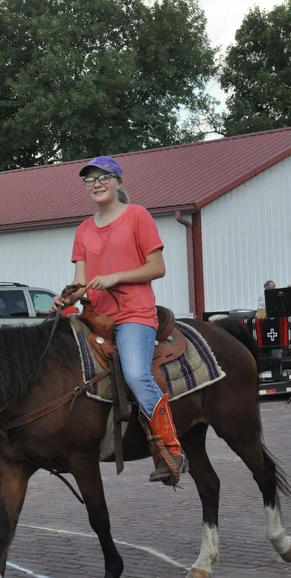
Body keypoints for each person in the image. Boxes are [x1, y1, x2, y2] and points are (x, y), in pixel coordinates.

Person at [51, 155, 187, 486]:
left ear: (118, 181)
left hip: (133, 315)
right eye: (90, 179)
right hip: (95, 317)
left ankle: (171, 449)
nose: (96, 184)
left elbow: (157, 267)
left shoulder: (137, 216)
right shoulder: (83, 230)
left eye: (103, 177)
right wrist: (66, 298)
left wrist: (115, 277)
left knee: (137, 375)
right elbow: (81, 281)